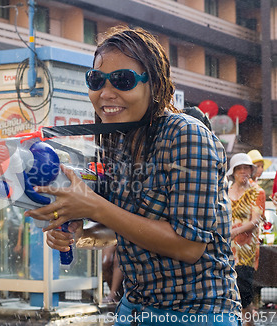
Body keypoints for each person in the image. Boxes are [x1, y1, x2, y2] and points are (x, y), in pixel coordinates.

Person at [24, 26, 241, 325]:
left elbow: (189, 246)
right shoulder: (119, 138)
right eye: (96, 80)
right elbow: (125, 229)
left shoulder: (187, 136)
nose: (106, 92)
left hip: (197, 313)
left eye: (123, 80)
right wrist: (80, 234)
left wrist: (93, 207)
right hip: (134, 309)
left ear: (154, 85)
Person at [228, 153, 265, 325]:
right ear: (233, 171)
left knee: (244, 296)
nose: (243, 171)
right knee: (230, 295)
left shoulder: (257, 191)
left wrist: (234, 232)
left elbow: (255, 221)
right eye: (239, 168)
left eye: (246, 168)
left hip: (246, 252)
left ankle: (249, 323)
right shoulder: (226, 191)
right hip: (227, 251)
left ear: (251, 170)